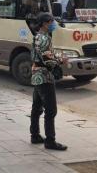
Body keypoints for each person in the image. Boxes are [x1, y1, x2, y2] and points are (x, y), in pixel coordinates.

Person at [30, 13, 67, 151]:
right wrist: (60, 62)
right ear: (45, 23)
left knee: (37, 107)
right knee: (51, 110)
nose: (54, 24)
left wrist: (55, 59)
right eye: (52, 21)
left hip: (36, 75)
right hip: (45, 77)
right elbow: (48, 60)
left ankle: (35, 135)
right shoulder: (45, 38)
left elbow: (41, 56)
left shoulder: (37, 37)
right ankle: (50, 140)